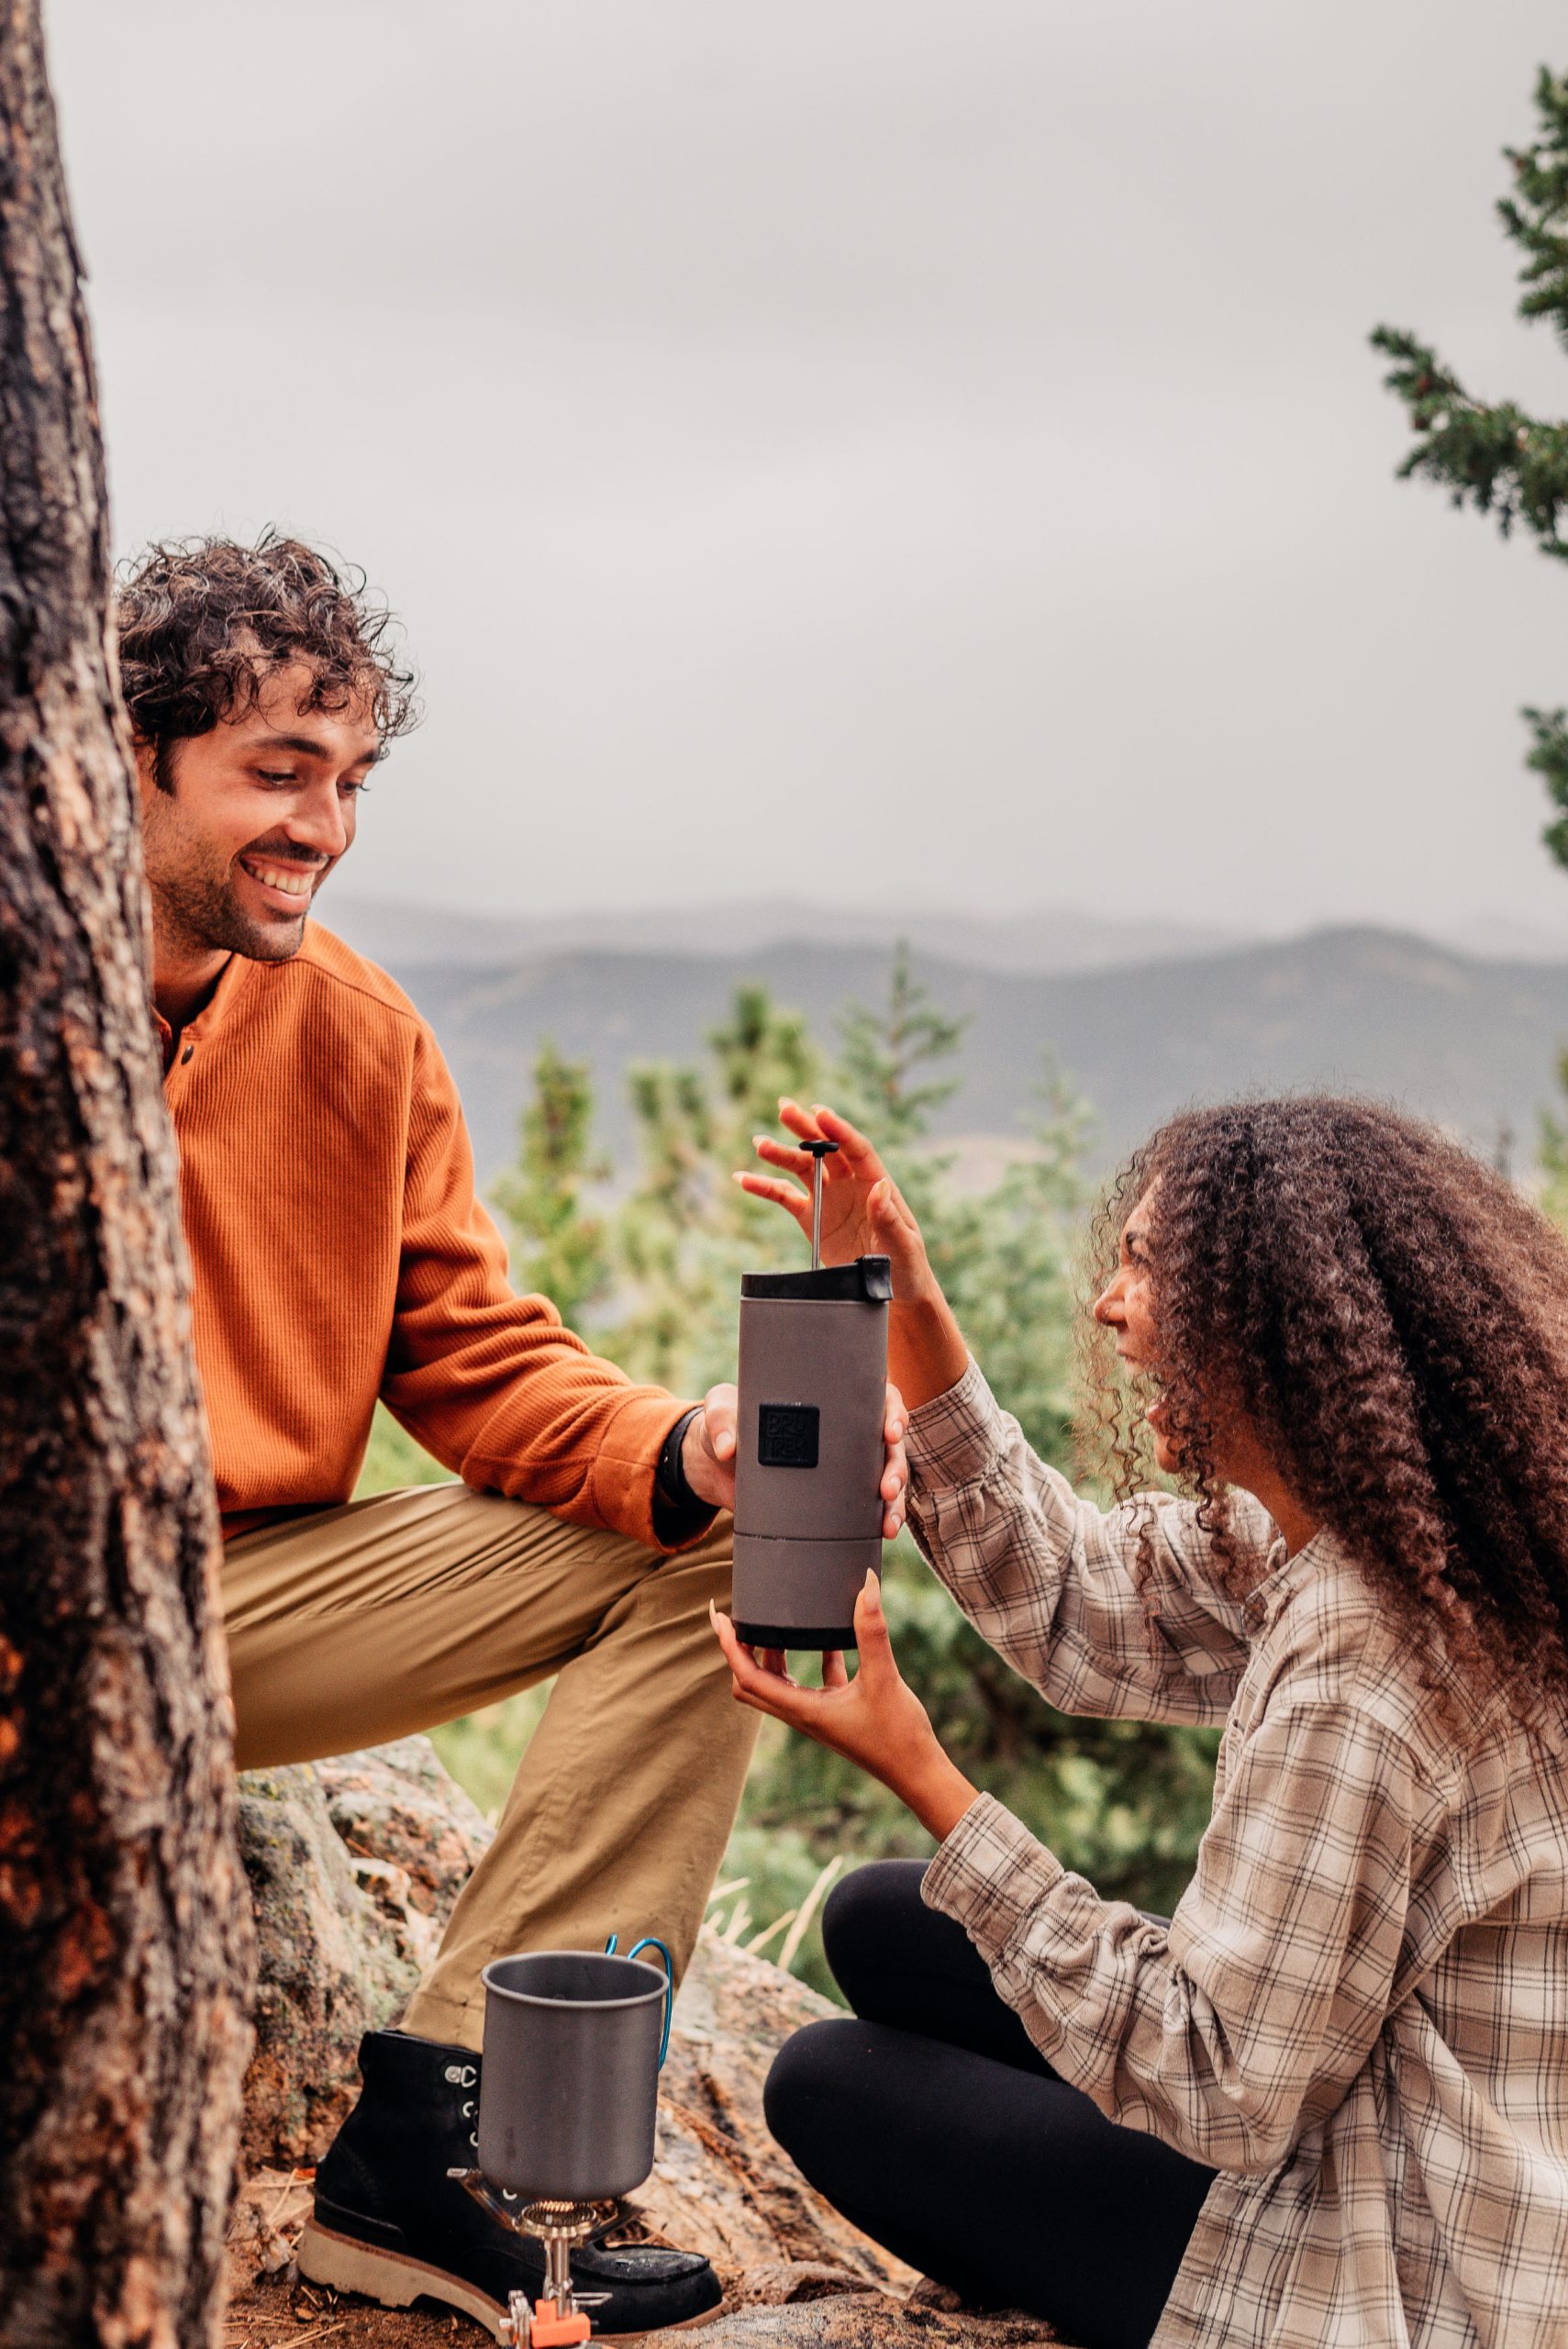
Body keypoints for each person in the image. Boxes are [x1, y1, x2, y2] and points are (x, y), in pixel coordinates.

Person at [117, 533, 910, 2341]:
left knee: (726, 1531)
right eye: (274, 772)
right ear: (128, 756)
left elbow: (471, 1357)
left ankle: (454, 2149)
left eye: (349, 780)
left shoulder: (359, 1033)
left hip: (224, 1606)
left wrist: (691, 1443)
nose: (321, 822)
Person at [715, 1094, 1568, 2349]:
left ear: (1268, 1325)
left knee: (833, 2084)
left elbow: (1219, 2082)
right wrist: (908, 1302)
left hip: (1387, 2249)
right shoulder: (1373, 1543)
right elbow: (1076, 1600)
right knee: (880, 1923)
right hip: (1346, 2089)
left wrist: (920, 1766)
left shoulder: (1365, 1663)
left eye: (1146, 1270)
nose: (1110, 1307)